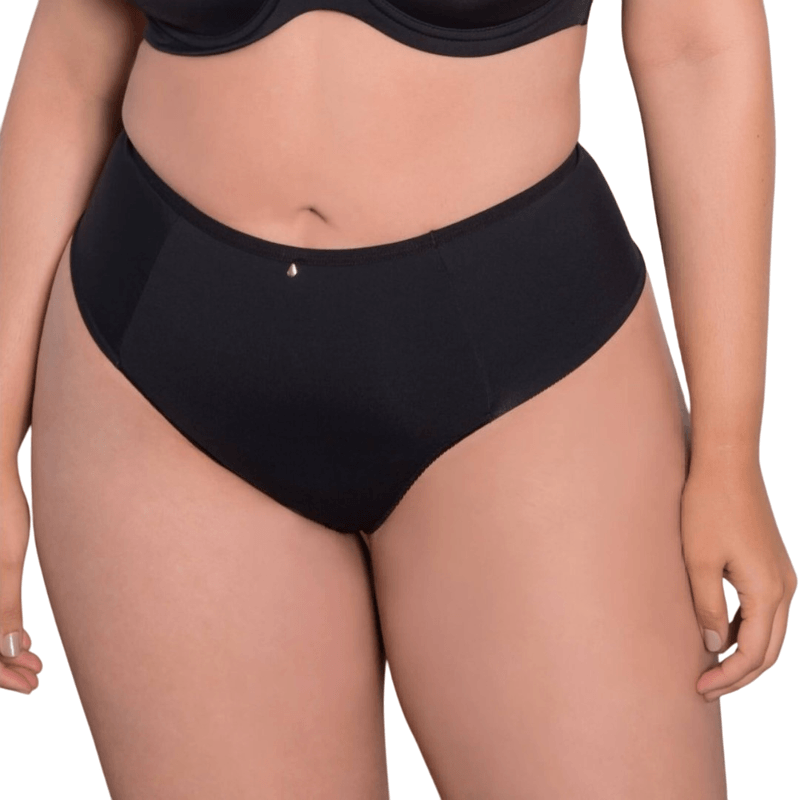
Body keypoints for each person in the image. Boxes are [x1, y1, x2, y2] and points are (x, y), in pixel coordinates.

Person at [0, 0, 796, 796]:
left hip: (523, 363)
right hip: (159, 362)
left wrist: (729, 451)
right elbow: (74, 56)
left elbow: (697, 44)